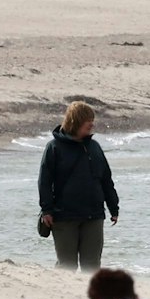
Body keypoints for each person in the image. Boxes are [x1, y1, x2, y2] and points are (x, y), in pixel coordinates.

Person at [38, 100, 119, 272]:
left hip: (94, 216)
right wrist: (46, 210)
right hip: (64, 217)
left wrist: (114, 207)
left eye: (92, 119)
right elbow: (44, 181)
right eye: (87, 120)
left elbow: (106, 179)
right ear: (75, 122)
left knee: (92, 267)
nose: (92, 124)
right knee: (67, 266)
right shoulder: (54, 148)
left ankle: (90, 298)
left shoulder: (95, 147)